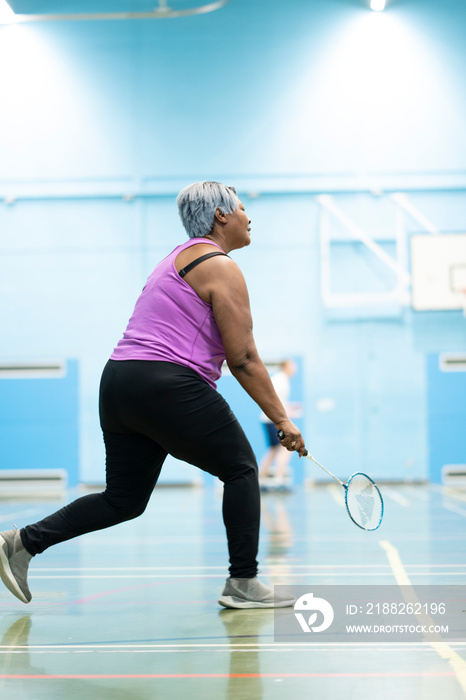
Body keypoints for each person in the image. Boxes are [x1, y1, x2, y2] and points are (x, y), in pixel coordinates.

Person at [0, 181, 305, 610]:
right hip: (167, 383)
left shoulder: (174, 259)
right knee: (240, 468)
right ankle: (244, 582)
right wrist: (282, 419)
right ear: (220, 215)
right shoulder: (220, 265)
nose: (248, 216)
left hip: (120, 383)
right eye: (241, 207)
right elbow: (245, 358)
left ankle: (22, 543)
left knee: (123, 499)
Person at [259, 359, 301, 490]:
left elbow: (280, 401)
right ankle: (279, 479)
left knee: (273, 450)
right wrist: (286, 414)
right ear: (286, 366)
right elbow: (273, 400)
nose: (295, 368)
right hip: (273, 420)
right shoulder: (280, 380)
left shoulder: (282, 380)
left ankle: (260, 478)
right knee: (286, 449)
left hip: (270, 419)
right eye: (293, 365)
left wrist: (290, 408)